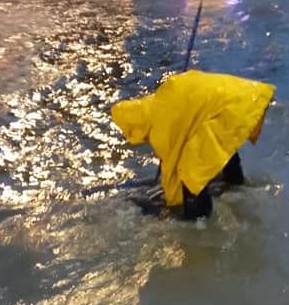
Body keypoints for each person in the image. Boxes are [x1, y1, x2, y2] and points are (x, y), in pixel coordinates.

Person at [111, 70, 276, 219]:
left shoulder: (160, 125)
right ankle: (235, 183)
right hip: (248, 98)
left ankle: (198, 221)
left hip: (234, 107)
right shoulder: (162, 98)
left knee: (191, 173)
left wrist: (166, 206)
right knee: (220, 144)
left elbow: (172, 170)